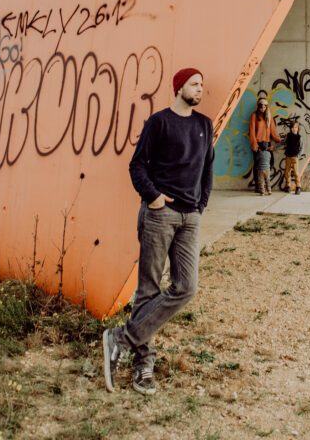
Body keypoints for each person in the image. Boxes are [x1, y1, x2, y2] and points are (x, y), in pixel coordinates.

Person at [103, 67, 214, 396]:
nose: (200, 88)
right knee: (149, 289)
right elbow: (137, 165)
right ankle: (143, 366)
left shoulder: (204, 125)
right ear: (180, 87)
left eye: (202, 84)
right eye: (195, 83)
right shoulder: (159, 122)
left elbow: (208, 169)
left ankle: (120, 338)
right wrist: (153, 198)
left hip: (189, 216)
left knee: (186, 286)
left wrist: (200, 206)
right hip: (159, 214)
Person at [248, 95, 280, 195]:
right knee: (257, 165)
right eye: (261, 106)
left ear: (267, 106)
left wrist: (278, 139)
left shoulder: (269, 116)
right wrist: (254, 145)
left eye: (265, 106)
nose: (263, 108)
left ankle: (266, 185)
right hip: (258, 144)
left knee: (269, 163)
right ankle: (259, 186)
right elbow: (252, 131)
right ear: (258, 106)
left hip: (267, 143)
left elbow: (273, 130)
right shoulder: (254, 115)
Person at [283, 119, 304, 194]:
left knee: (295, 172)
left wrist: (298, 155)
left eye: (296, 127)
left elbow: (302, 147)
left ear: (298, 128)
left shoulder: (299, 137)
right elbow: (284, 143)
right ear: (291, 128)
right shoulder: (288, 135)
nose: (294, 129)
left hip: (295, 156)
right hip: (288, 156)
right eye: (293, 128)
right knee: (287, 172)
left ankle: (298, 186)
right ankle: (287, 186)